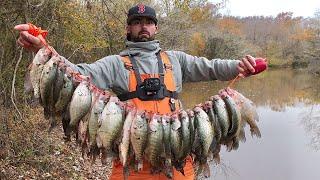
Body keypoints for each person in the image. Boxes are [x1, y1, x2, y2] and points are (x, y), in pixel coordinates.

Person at [15, 3, 258, 180]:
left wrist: (239, 66)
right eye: (137, 22)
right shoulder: (115, 63)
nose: (143, 26)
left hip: (177, 157)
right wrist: (43, 49)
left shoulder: (176, 60)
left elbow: (211, 67)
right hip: (132, 159)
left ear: (156, 27)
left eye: (148, 22)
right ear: (128, 28)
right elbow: (76, 74)